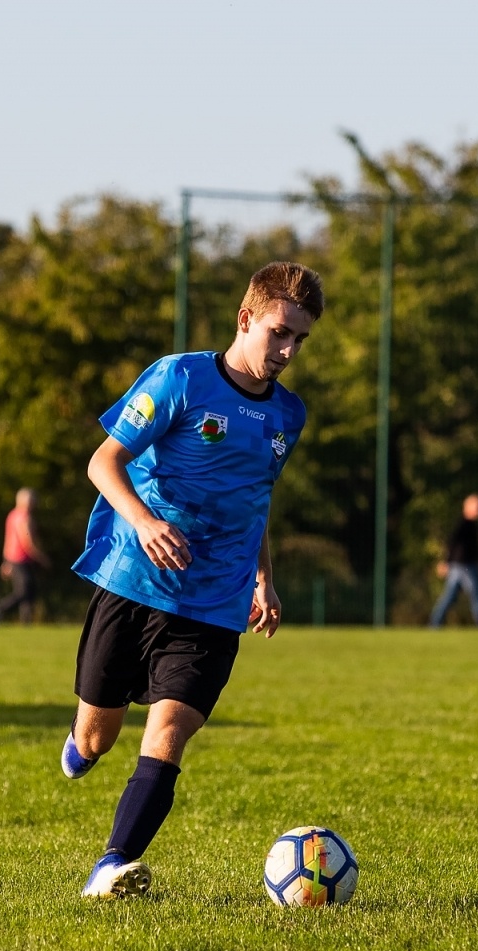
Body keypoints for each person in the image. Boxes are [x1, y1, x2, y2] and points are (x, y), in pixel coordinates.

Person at [59, 262, 323, 898]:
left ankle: (111, 864)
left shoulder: (288, 415)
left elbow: (254, 500)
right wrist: (146, 523)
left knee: (170, 729)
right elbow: (104, 462)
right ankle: (81, 742)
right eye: (278, 333)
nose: (287, 351)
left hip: (215, 598)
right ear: (245, 318)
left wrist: (263, 578)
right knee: (98, 734)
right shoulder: (180, 377)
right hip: (134, 579)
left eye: (299, 340)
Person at [0, 488, 51, 627]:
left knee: (29, 592)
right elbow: (28, 543)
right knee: (23, 591)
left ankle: (26, 622)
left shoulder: (12, 515)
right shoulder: (25, 518)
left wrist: (5, 561)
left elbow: (7, 540)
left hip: (14, 559)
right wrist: (42, 558)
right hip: (20, 559)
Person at [429, 494, 478, 627]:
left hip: (461, 566)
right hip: (464, 567)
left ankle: (435, 623)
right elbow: (452, 545)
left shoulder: (472, 526)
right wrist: (446, 562)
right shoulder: (463, 525)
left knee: (450, 597)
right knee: (477, 596)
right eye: (477, 507)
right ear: (467, 508)